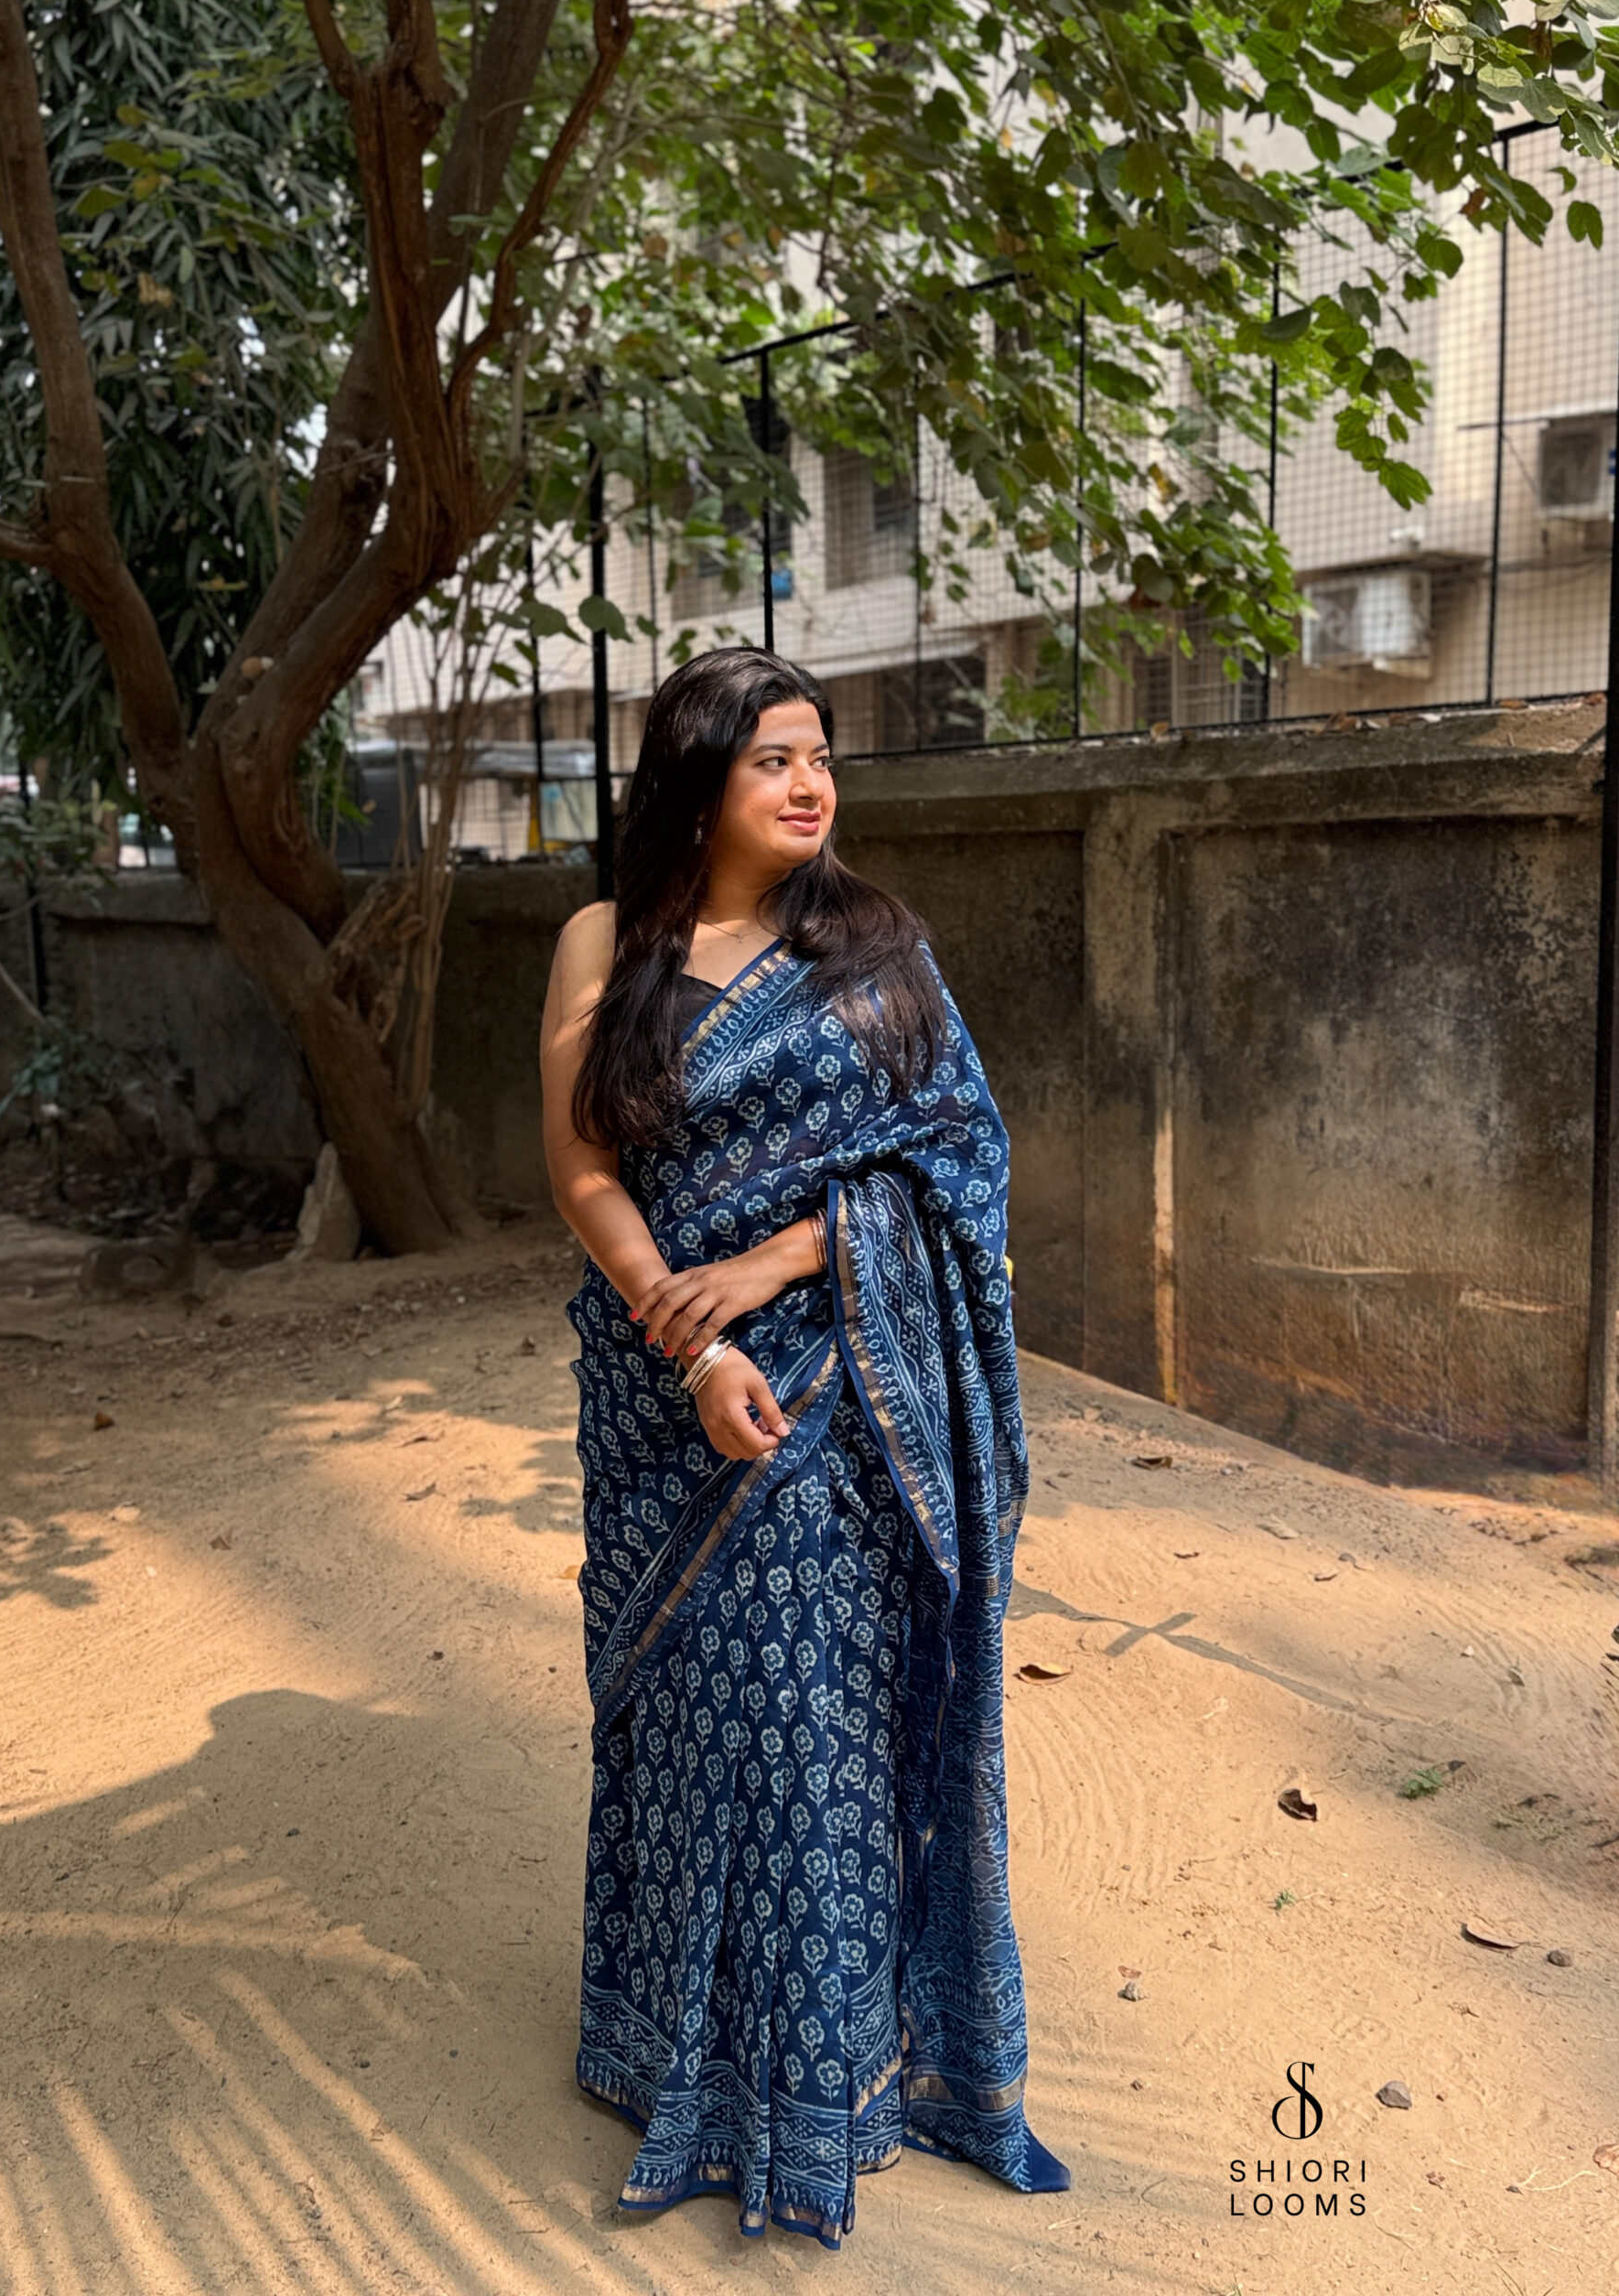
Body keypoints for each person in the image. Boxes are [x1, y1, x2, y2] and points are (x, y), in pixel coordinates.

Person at [538, 645, 1068, 2249]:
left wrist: (778, 1267)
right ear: (696, 776)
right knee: (692, 1718)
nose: (809, 782)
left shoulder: (876, 953)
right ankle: (667, 2046)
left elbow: (955, 1159)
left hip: (839, 1387)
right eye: (772, 756)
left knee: (803, 1722)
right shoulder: (600, 943)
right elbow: (580, 1176)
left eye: (819, 755)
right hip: (657, 1386)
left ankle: (812, 2078)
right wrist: (691, 1336)